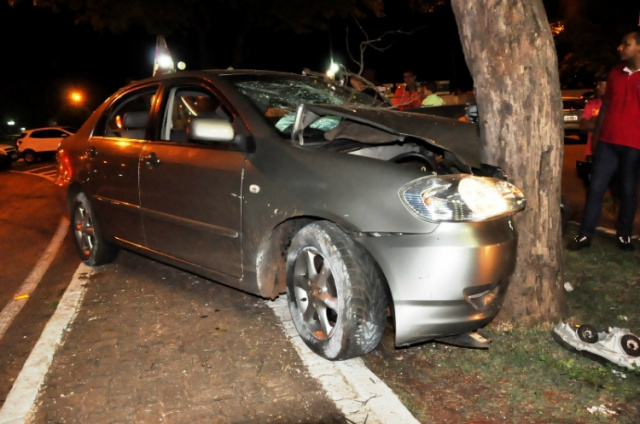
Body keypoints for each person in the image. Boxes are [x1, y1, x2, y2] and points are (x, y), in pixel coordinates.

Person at [569, 28, 640, 252]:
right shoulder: (615, 72)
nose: (620, 48)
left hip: (634, 146)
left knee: (628, 191)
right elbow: (606, 107)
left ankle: (624, 235)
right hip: (607, 143)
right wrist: (597, 140)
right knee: (596, 188)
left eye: (626, 43)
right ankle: (585, 234)